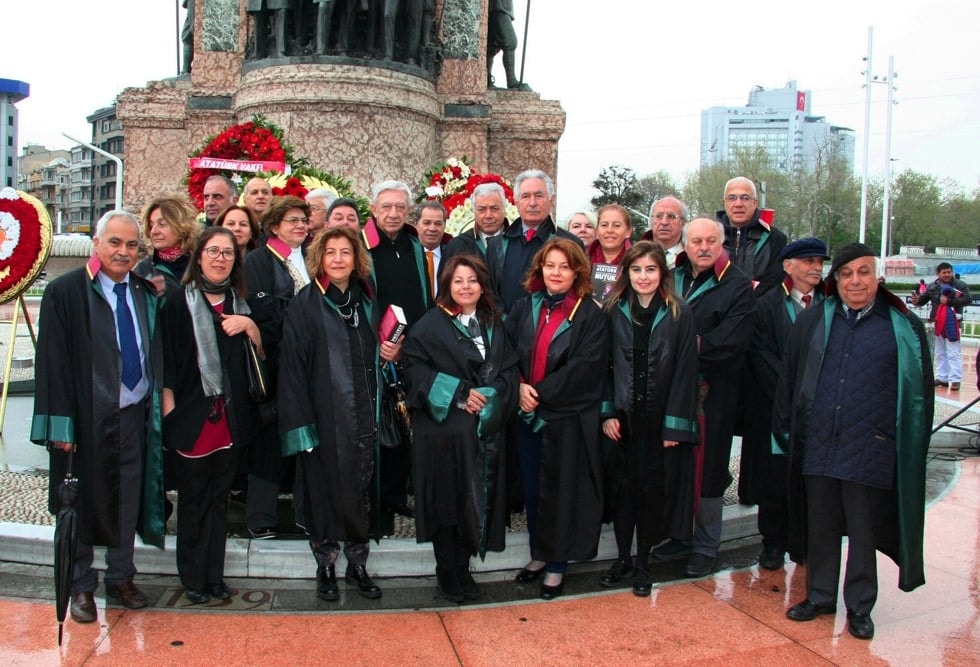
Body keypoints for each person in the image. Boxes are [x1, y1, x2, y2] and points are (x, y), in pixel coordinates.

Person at [776, 243, 933, 640]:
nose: (855, 281)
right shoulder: (814, 320)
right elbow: (790, 378)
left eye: (864, 272)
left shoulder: (902, 327)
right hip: (819, 442)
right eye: (846, 274)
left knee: (864, 529)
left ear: (878, 277)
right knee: (821, 524)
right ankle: (820, 596)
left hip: (870, 444)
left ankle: (860, 606)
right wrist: (786, 429)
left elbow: (918, 394)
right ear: (836, 280)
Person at [32, 210, 164, 624]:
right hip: (84, 419)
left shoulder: (144, 292)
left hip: (133, 416)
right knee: (79, 502)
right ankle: (81, 585)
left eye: (131, 245)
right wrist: (61, 425)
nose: (123, 252)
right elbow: (52, 363)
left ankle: (121, 576)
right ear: (96, 242)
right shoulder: (66, 292)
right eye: (115, 242)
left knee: (128, 498)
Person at [277, 226, 402, 601]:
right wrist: (302, 428)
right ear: (319, 257)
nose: (337, 259)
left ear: (356, 258)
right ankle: (327, 564)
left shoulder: (367, 301)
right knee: (323, 493)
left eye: (345, 252)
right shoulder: (305, 304)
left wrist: (390, 353)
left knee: (360, 492)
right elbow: (292, 371)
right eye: (330, 252)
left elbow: (378, 354)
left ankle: (358, 563)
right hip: (322, 418)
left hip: (364, 415)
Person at [402, 254, 519, 603]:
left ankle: (464, 567)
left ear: (482, 285)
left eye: (472, 280)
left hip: (481, 432)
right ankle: (446, 569)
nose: (465, 287)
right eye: (458, 281)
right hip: (443, 434)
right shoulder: (429, 325)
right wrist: (459, 393)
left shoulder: (494, 322)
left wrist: (493, 394)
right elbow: (414, 371)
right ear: (446, 285)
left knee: (474, 500)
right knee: (447, 502)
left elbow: (510, 369)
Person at [505, 238, 610, 600]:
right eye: (550, 265)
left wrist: (539, 394)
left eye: (564, 267)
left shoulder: (590, 315)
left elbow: (585, 368)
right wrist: (519, 386)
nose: (556, 272)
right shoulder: (525, 306)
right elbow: (506, 351)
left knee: (562, 492)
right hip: (526, 415)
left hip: (565, 418)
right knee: (533, 488)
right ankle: (538, 553)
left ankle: (556, 564)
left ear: (577, 271)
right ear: (540, 268)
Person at [161, 227, 262, 604]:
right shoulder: (178, 302)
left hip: (231, 420)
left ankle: (214, 576)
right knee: (193, 501)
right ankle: (193, 578)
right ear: (199, 256)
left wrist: (250, 326)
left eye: (228, 253)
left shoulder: (240, 303)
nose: (220, 259)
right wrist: (170, 415)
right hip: (192, 419)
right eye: (213, 251)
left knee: (219, 501)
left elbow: (261, 358)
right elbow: (166, 363)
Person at [652, 218, 754, 578]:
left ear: (722, 243)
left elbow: (730, 341)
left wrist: (679, 347)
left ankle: (706, 546)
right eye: (696, 241)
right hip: (671, 389)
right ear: (686, 243)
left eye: (711, 240)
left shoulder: (738, 285)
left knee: (708, 469)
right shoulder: (672, 277)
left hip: (712, 393)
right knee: (676, 464)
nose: (703, 247)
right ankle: (679, 535)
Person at [600, 241, 699, 596]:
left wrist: (675, 425)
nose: (644, 277)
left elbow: (686, 371)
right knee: (623, 490)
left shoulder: (678, 312)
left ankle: (644, 563)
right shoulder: (613, 309)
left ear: (662, 273)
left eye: (651, 270)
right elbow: (604, 366)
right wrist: (607, 412)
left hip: (658, 420)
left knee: (651, 492)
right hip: (623, 419)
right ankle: (623, 558)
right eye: (637, 270)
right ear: (627, 273)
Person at [741, 238, 828, 571]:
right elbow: (760, 355)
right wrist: (793, 391)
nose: (816, 268)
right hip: (775, 408)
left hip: (820, 411)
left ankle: (806, 542)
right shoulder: (766, 305)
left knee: (813, 480)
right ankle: (773, 543)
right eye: (808, 261)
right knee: (774, 478)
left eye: (819, 262)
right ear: (788, 266)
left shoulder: (830, 305)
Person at [243, 195, 312, 540]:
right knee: (268, 442)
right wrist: (303, 313)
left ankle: (306, 513)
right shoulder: (258, 259)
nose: (300, 225)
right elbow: (262, 310)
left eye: (303, 220)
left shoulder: (313, 256)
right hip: (274, 364)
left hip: (308, 365)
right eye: (292, 220)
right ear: (273, 226)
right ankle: (261, 517)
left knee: (308, 441)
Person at [362, 180, 429, 521]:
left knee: (404, 422)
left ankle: (395, 494)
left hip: (412, 347)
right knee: (380, 423)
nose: (393, 213)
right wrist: (382, 345)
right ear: (373, 209)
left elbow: (422, 293)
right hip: (379, 349)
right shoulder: (363, 245)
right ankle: (371, 495)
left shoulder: (413, 245)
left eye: (400, 207)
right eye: (386, 206)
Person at [487, 169, 581, 314]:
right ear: (516, 201)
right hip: (505, 325)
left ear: (551, 200)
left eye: (539, 195)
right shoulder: (497, 245)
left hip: (550, 324)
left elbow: (576, 293)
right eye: (525, 196)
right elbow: (490, 291)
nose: (532, 203)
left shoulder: (570, 244)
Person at [717, 177, 787, 294]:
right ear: (724, 203)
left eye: (745, 198)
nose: (738, 204)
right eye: (732, 198)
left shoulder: (774, 239)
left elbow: (773, 285)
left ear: (755, 203)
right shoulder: (710, 238)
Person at [912, 262, 970, 390]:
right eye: (944, 272)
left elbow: (968, 299)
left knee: (953, 352)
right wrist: (917, 301)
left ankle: (955, 379)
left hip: (953, 322)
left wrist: (950, 301)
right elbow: (923, 300)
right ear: (938, 274)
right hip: (937, 321)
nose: (947, 274)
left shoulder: (960, 285)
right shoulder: (932, 286)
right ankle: (942, 378)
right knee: (940, 351)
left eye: (949, 272)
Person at [136, 194, 201, 298]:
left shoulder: (200, 264)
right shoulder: (144, 270)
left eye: (162, 224)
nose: (154, 231)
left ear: (181, 227)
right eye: (151, 225)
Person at [442, 182, 510, 269]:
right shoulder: (458, 246)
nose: (488, 215)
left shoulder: (517, 242)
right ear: (474, 212)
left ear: (504, 209)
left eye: (494, 208)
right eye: (481, 209)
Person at [588, 204, 633, 303]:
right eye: (604, 225)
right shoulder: (583, 261)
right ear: (597, 231)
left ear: (628, 231)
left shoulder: (636, 262)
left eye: (617, 225)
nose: (609, 230)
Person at [486, 0, 529, 90]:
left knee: (492, 45)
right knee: (510, 42)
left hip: (500, 8)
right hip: (498, 7)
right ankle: (511, 81)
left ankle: (486, 79)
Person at [414, 201, 450, 299]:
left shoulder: (452, 255)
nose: (432, 228)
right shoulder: (408, 255)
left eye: (438, 223)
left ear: (444, 226)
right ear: (416, 225)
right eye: (427, 223)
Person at [644, 197, 688, 269]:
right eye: (659, 216)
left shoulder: (691, 258)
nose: (664, 222)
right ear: (651, 220)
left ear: (683, 222)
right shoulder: (636, 255)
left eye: (671, 216)